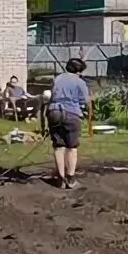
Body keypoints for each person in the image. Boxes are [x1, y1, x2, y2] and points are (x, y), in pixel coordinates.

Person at [45, 58, 91, 190]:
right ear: (79, 70)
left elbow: (52, 94)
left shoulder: (57, 79)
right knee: (72, 147)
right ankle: (70, 179)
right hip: (71, 113)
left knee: (59, 146)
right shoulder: (80, 82)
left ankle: (60, 179)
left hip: (54, 111)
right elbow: (85, 100)